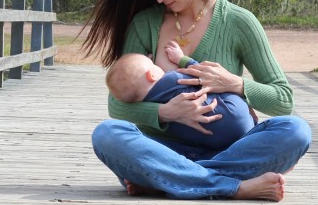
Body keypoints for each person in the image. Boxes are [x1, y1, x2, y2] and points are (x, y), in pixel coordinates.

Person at [83, 0, 311, 201]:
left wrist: (235, 84)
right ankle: (234, 187)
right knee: (107, 135)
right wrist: (167, 113)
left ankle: (167, 180)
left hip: (230, 152)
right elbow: (117, 105)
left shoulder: (237, 21)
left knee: (296, 131)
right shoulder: (146, 25)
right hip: (161, 150)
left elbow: (283, 100)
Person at [105, 39, 255, 151]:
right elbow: (202, 75)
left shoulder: (151, 109)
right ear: (152, 75)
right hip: (234, 113)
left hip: (216, 142)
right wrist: (182, 59)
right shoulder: (172, 79)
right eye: (153, 65)